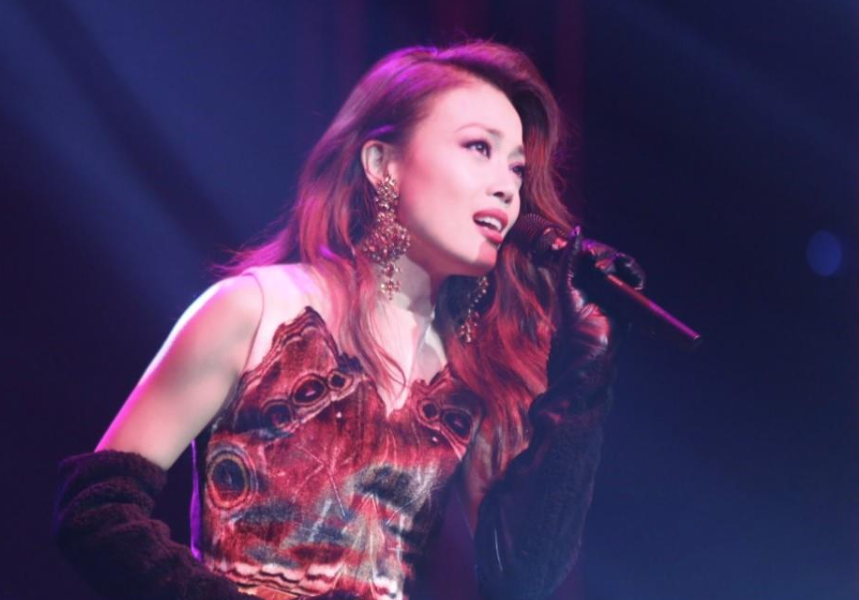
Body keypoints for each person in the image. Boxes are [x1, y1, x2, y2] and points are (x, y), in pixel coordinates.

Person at [52, 40, 644, 600]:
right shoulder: (254, 308)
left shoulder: (472, 372)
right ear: (382, 163)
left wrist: (587, 374)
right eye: (478, 148)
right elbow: (97, 510)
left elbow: (521, 578)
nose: (507, 188)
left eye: (516, 169)